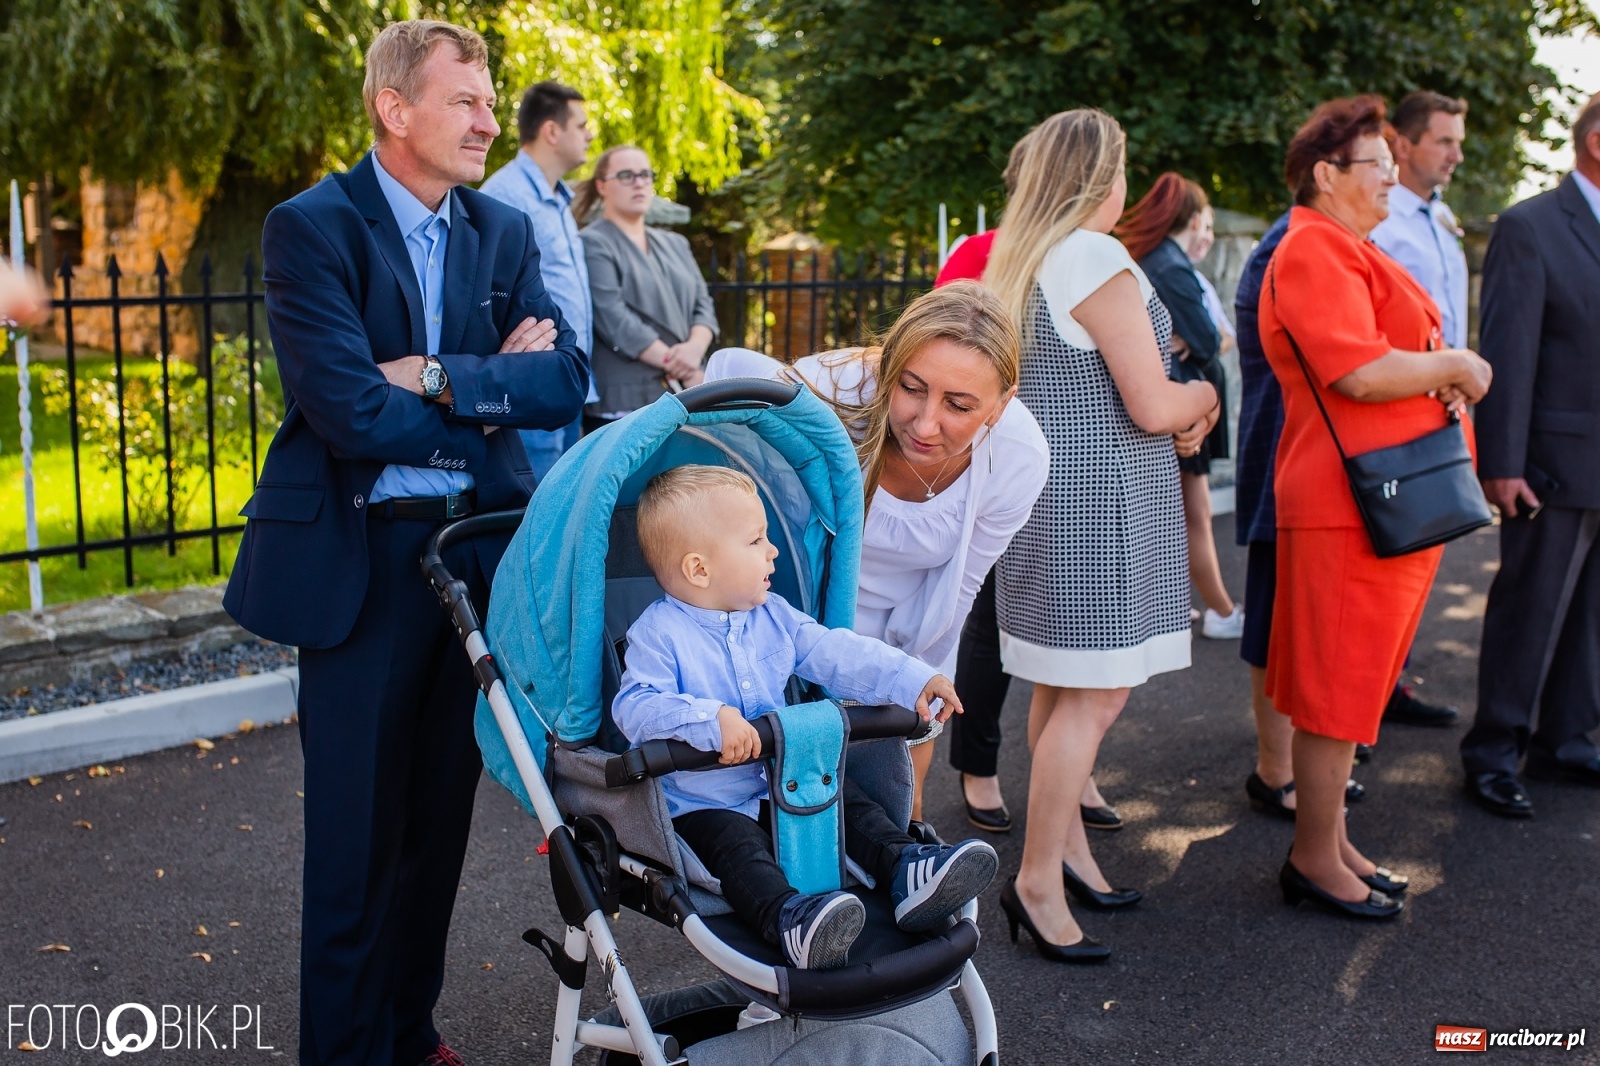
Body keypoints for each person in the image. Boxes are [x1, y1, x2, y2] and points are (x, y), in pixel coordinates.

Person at [222, 21, 589, 1065]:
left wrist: (430, 373)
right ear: (396, 109)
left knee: (436, 828)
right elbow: (343, 410)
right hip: (361, 564)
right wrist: (487, 392)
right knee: (355, 841)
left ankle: (407, 1032)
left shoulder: (502, 232)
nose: (488, 121)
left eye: (489, 101)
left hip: (469, 559)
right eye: (466, 102)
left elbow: (563, 381)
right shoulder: (311, 228)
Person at [982, 109, 1220, 962]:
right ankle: (1038, 880)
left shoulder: (1030, 258)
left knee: (1060, 687)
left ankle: (1066, 856)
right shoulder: (1091, 254)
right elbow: (1153, 402)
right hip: (1102, 510)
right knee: (1093, 696)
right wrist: (1203, 400)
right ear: (1102, 176)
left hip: (1060, 503)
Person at [612, 465, 1000, 969]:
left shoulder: (773, 615)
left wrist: (911, 679)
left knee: (847, 804)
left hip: (784, 780)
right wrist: (711, 720)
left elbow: (836, 652)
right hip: (704, 802)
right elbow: (636, 705)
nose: (772, 551)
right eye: (756, 541)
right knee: (739, 851)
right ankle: (791, 920)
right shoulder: (659, 634)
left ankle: (906, 868)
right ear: (699, 570)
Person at [1259, 95, 1491, 919]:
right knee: (1339, 685)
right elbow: (1356, 371)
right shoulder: (1316, 248)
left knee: (1352, 683)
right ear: (1326, 174)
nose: (1394, 177)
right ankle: (1315, 857)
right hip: (1351, 501)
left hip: (1372, 498)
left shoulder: (1338, 243)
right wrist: (1457, 363)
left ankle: (1332, 842)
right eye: (1378, 165)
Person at [706, 283, 1050, 823]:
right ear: (889, 366)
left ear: (1002, 405)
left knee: (897, 795)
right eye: (911, 388)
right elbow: (725, 386)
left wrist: (909, 681)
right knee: (789, 790)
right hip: (800, 611)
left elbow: (958, 590)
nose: (925, 423)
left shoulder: (1019, 458)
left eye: (959, 405)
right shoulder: (833, 391)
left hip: (911, 620)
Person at [934, 136, 1121, 836]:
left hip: (1070, 464)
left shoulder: (1084, 254)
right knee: (987, 625)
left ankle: (1071, 774)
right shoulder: (979, 253)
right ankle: (978, 767)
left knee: (1065, 632)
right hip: (993, 452)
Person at [1461, 93, 1600, 817]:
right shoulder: (1530, 225)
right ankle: (1492, 752)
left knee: (1591, 618)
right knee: (1530, 609)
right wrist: (1502, 462)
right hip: (1548, 463)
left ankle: (1566, 741)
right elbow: (1508, 353)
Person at [1117, 173, 1243, 640]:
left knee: (1178, 513)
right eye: (1205, 223)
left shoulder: (1151, 261)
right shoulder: (1171, 267)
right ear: (1188, 219)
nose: (1208, 235)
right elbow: (1211, 339)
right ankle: (1222, 610)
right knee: (1196, 513)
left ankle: (1194, 606)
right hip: (1183, 399)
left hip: (1171, 395)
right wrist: (1197, 338)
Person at [479, 80, 597, 479]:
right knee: (531, 515)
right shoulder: (504, 196)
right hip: (529, 388)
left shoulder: (561, 199)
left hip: (562, 383)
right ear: (551, 131)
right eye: (581, 125)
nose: (590, 134)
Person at [578, 145, 718, 430]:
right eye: (627, 175)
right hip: (626, 403)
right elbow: (612, 317)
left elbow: (703, 305)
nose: (639, 182)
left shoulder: (676, 243)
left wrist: (694, 349)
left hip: (686, 392)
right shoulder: (591, 242)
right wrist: (679, 364)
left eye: (645, 174)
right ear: (602, 186)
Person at [1370, 92, 1470, 352]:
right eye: (1445, 142)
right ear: (1403, 147)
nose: (1456, 156)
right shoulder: (1377, 220)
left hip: (1451, 379)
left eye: (1458, 143)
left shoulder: (1443, 216)